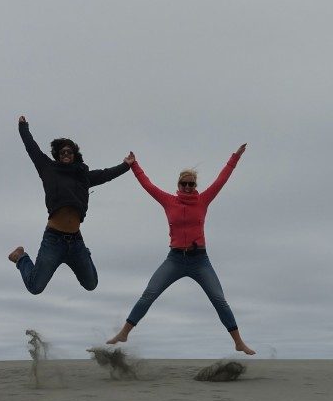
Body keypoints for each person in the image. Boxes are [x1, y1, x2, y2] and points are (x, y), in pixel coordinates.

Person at [107, 144, 255, 355]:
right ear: (178, 184)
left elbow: (222, 179)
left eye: (191, 184)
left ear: (195, 185)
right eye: (184, 183)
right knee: (149, 294)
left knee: (219, 300)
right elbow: (148, 185)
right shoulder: (169, 201)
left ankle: (239, 342)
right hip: (175, 259)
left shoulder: (203, 200)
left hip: (200, 261)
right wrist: (134, 165)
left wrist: (234, 158)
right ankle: (124, 333)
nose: (187, 187)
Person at [9, 115, 133, 294]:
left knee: (91, 284)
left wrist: (126, 165)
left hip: (75, 241)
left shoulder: (83, 175)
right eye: (62, 152)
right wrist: (23, 127)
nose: (65, 154)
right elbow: (32, 149)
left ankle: (85, 253)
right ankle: (21, 257)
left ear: (75, 155)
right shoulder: (48, 169)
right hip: (53, 240)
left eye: (69, 152)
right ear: (58, 156)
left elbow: (106, 174)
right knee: (35, 287)